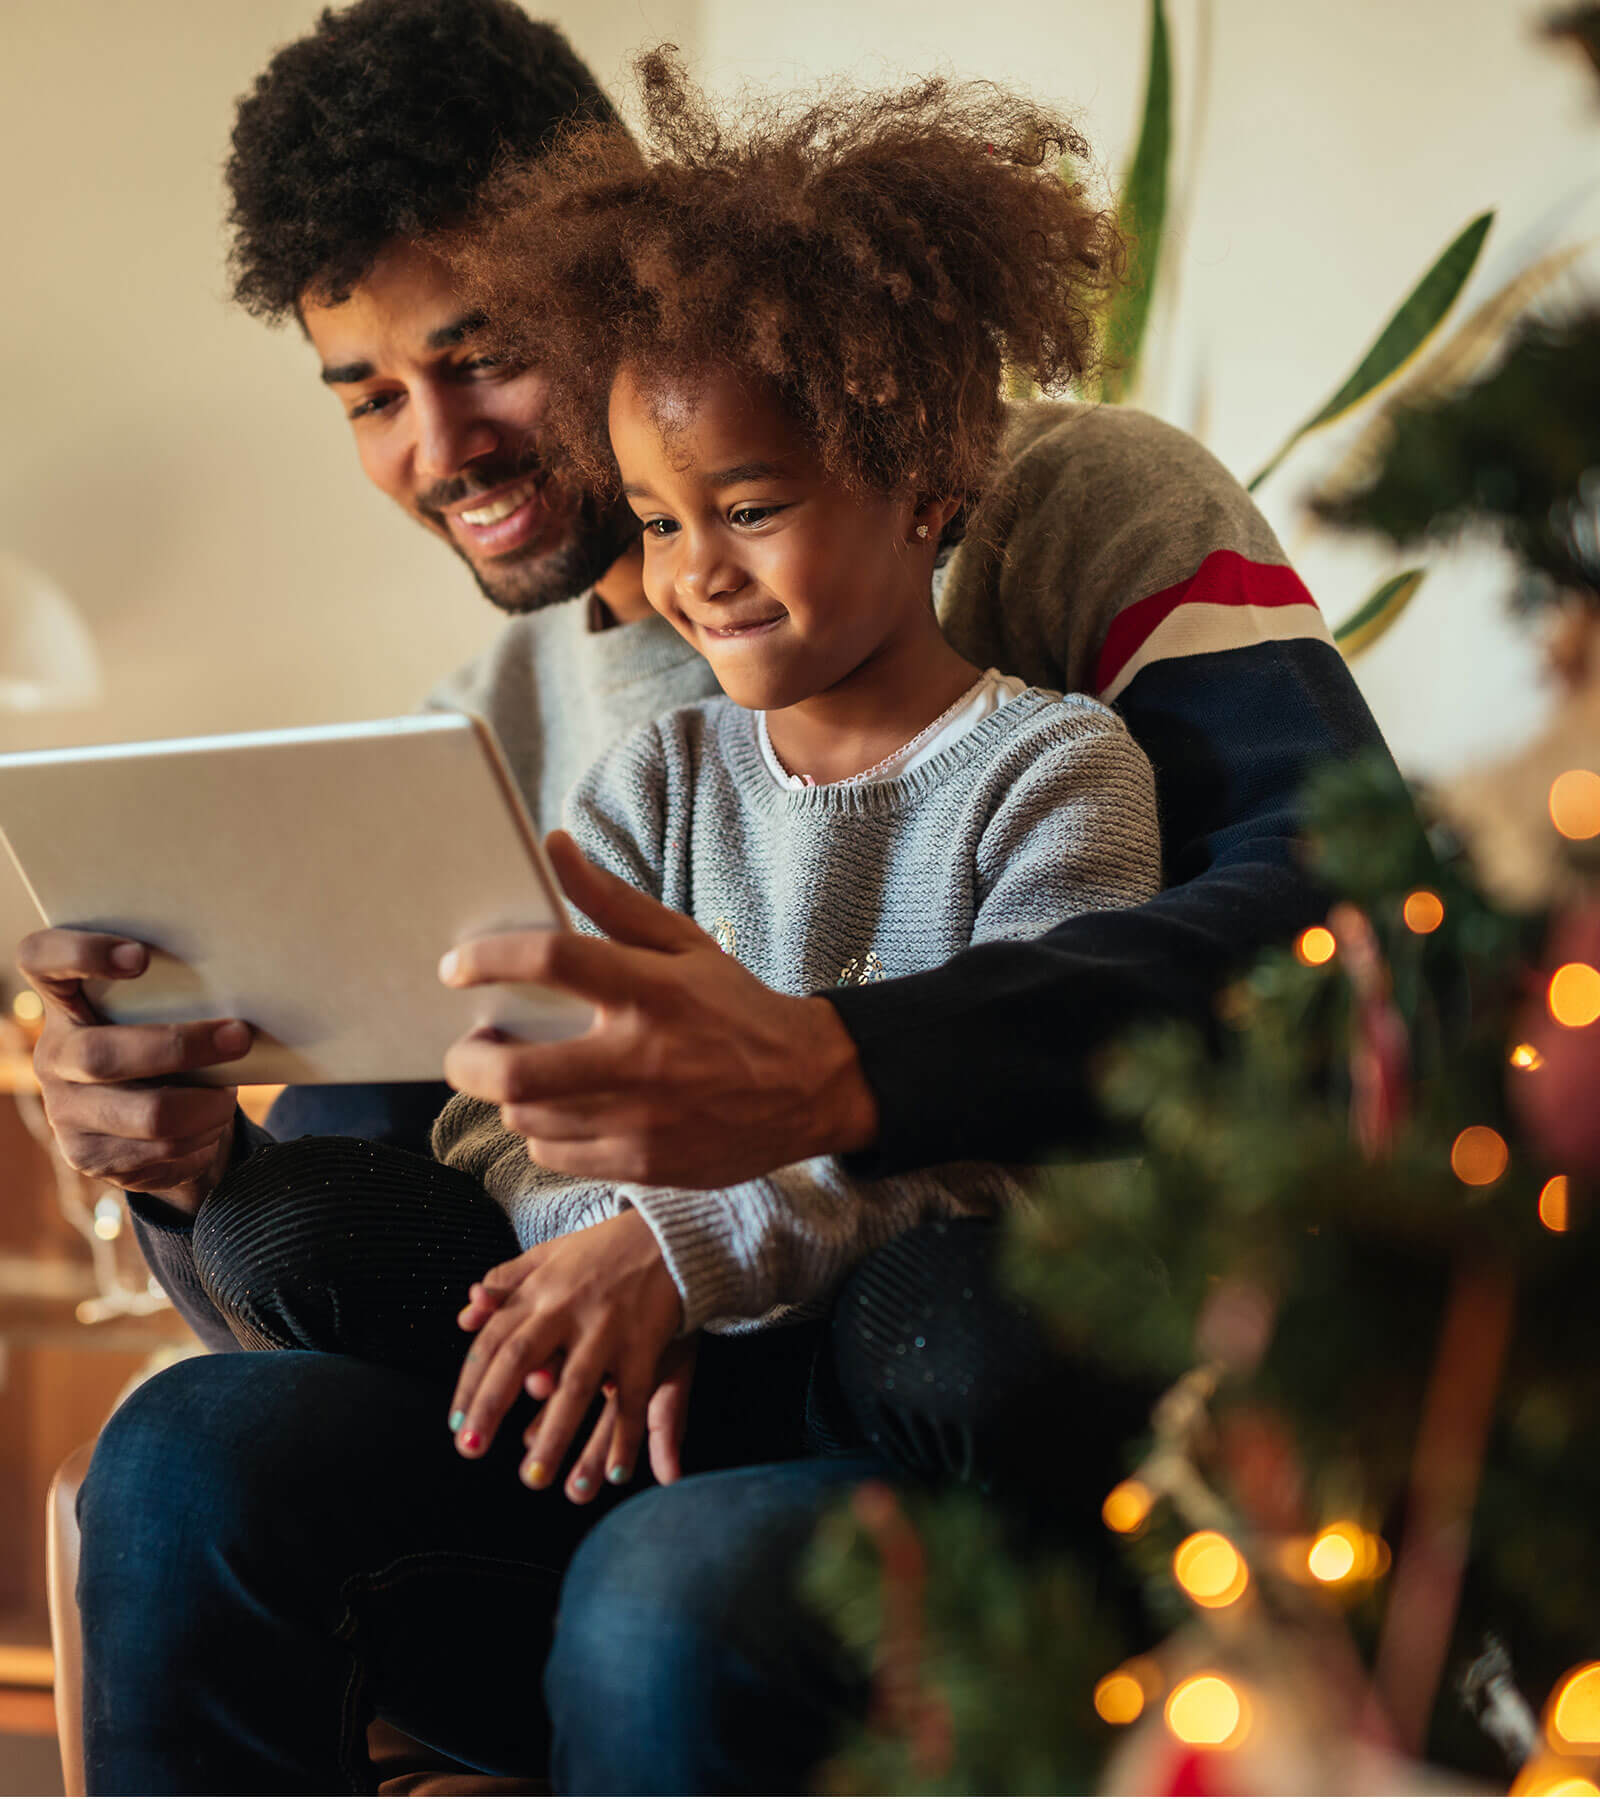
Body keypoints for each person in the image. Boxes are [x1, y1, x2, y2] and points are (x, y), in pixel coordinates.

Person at [14, 0, 1393, 1789]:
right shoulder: (498, 734)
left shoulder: (1068, 510)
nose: (441, 449)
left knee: (691, 1571)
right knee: (192, 1448)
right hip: (614, 1427)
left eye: (483, 354)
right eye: (368, 396)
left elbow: (1349, 927)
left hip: (948, 1391)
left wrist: (834, 1073)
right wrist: (190, 1170)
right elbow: (380, 1234)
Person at [185, 57, 1163, 1512]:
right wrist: (609, 1248)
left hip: (876, 1344)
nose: (694, 570)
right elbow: (493, 1128)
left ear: (928, 483)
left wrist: (687, 1252)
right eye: (656, 517)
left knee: (959, 1323)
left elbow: (1049, 1123)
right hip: (601, 1355)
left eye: (750, 510)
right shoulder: (633, 774)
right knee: (280, 1239)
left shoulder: (1058, 746)